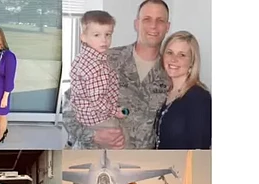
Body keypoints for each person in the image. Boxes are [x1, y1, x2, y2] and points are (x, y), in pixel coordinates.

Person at [62, 0, 172, 149]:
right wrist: (92, 135)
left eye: (160, 20)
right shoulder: (105, 59)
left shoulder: (170, 73)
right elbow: (70, 106)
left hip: (137, 162)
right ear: (136, 23)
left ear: (167, 27)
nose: (153, 26)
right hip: (93, 156)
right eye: (147, 19)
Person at [69, 11, 129, 149]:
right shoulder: (96, 66)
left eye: (108, 34)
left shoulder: (81, 58)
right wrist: (115, 111)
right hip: (99, 119)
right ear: (83, 37)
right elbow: (97, 100)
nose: (104, 40)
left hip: (85, 117)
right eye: (97, 35)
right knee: (121, 141)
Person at [154, 31, 211, 149]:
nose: (173, 59)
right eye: (169, 52)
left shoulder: (199, 98)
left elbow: (199, 148)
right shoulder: (165, 92)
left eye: (182, 55)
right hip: (163, 165)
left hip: (185, 166)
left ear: (192, 62)